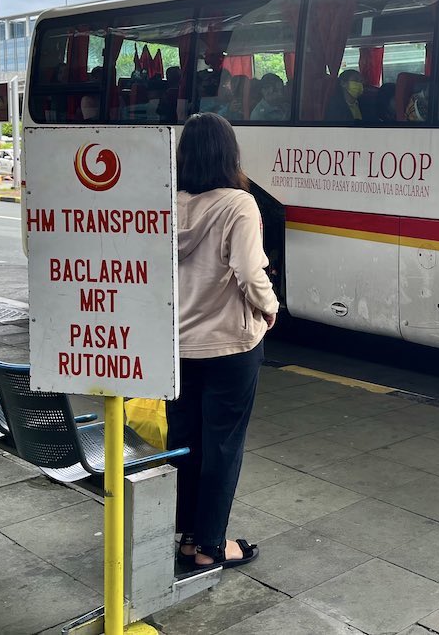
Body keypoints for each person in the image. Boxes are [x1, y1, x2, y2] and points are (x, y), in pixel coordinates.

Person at [169, 112, 278, 574]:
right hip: (230, 346)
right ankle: (210, 546)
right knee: (223, 446)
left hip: (178, 346)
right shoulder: (239, 204)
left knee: (185, 443)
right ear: (228, 153)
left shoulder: (167, 205)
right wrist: (269, 307)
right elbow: (250, 273)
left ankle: (186, 536)